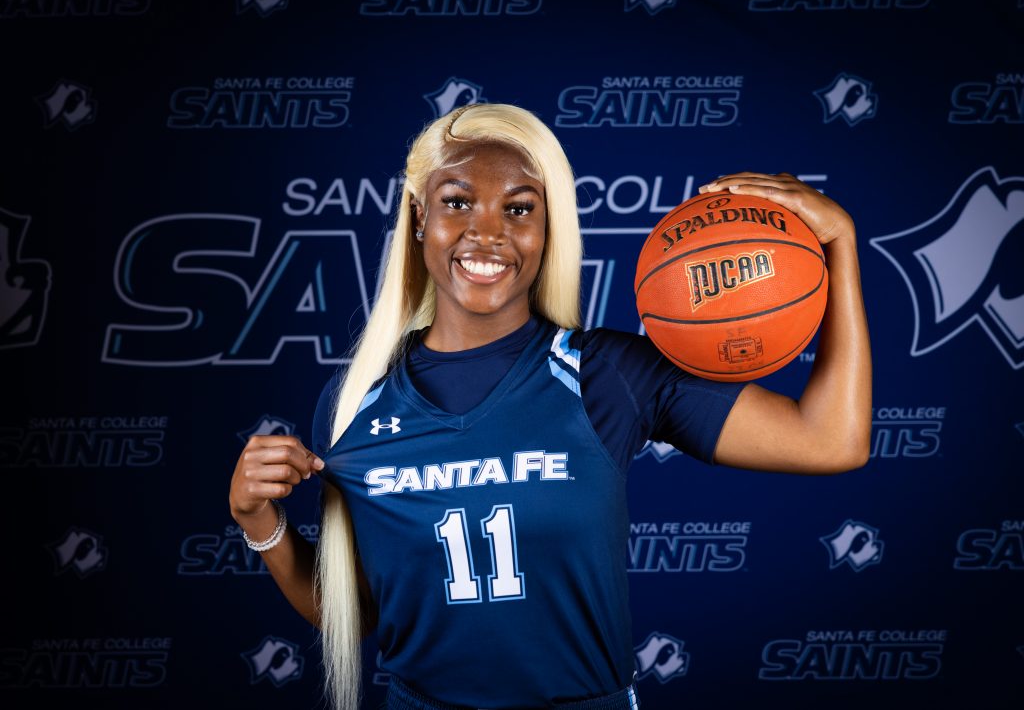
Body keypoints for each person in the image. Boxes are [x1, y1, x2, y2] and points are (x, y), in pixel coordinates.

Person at [228, 103, 871, 709]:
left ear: (546, 228)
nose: (487, 233)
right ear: (419, 216)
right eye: (457, 203)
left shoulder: (607, 372)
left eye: (519, 209)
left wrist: (839, 242)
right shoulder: (353, 403)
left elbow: (830, 439)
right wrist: (259, 521)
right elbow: (358, 610)